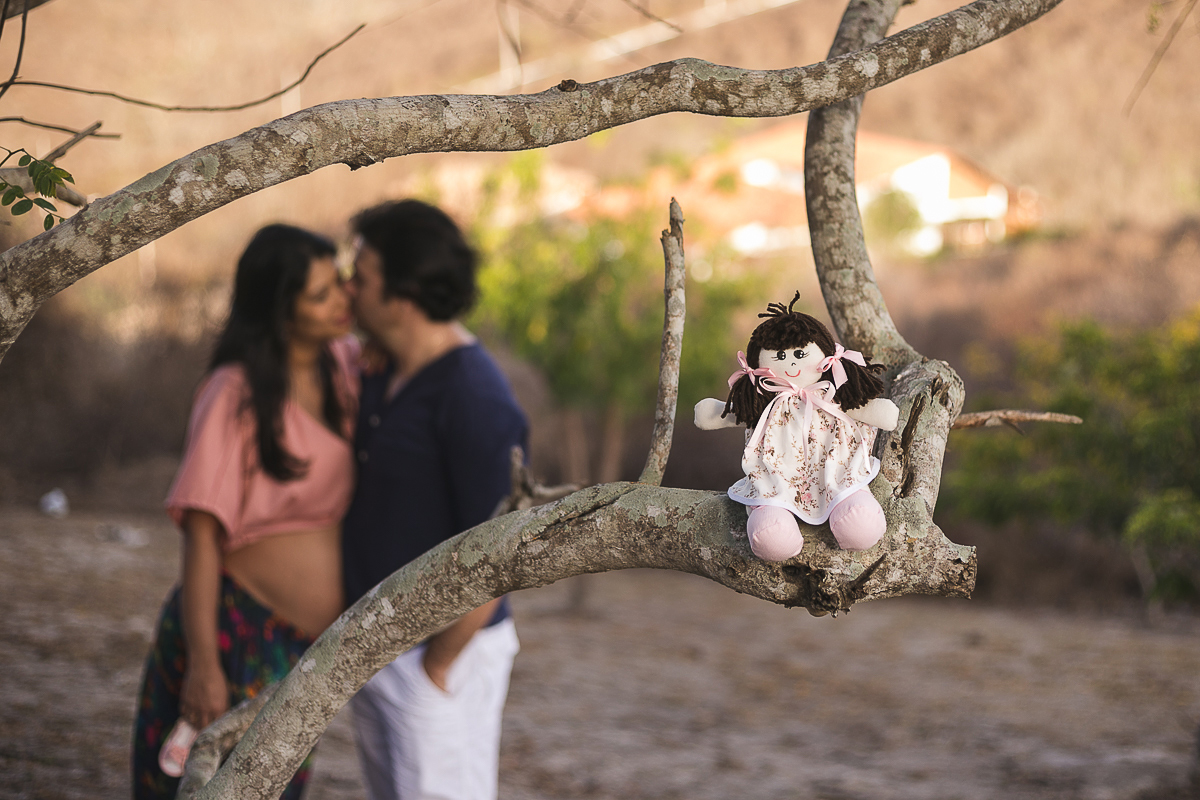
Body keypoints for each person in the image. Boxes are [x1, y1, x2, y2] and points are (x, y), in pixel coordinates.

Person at [132, 224, 358, 800]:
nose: (343, 299)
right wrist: (204, 663)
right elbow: (202, 535)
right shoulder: (232, 393)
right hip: (232, 631)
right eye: (322, 293)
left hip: (302, 649)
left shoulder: (346, 369)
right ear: (281, 310)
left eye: (341, 283)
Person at [341, 199, 527, 800]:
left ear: (402, 295)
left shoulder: (475, 399)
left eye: (361, 278)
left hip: (444, 654)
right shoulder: (382, 368)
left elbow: (502, 553)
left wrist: (437, 667)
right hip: (381, 649)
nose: (349, 289)